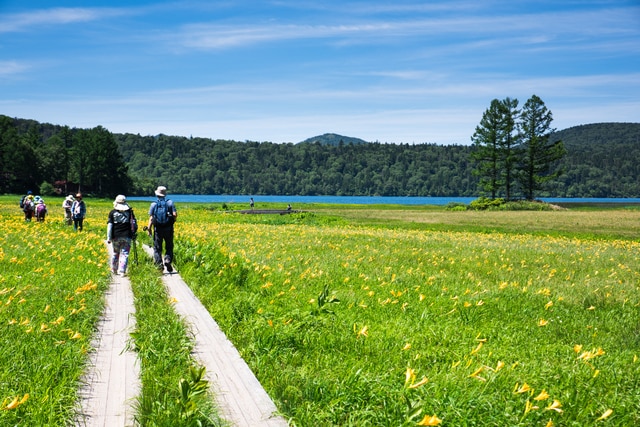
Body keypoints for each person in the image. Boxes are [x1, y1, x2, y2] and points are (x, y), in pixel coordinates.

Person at [147, 186, 177, 272]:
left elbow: (151, 218)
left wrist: (149, 229)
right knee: (169, 246)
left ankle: (159, 265)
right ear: (165, 194)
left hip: (158, 229)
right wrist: (172, 221)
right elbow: (174, 215)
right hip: (168, 228)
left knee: (157, 248)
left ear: (157, 194)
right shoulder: (170, 203)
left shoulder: (153, 204)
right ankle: (167, 260)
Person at [107, 195, 137, 275]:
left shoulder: (112, 213)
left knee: (115, 253)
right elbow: (134, 224)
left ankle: (114, 269)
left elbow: (110, 226)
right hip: (127, 235)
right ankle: (122, 271)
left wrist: (109, 238)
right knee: (125, 254)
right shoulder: (130, 212)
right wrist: (134, 233)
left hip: (115, 236)